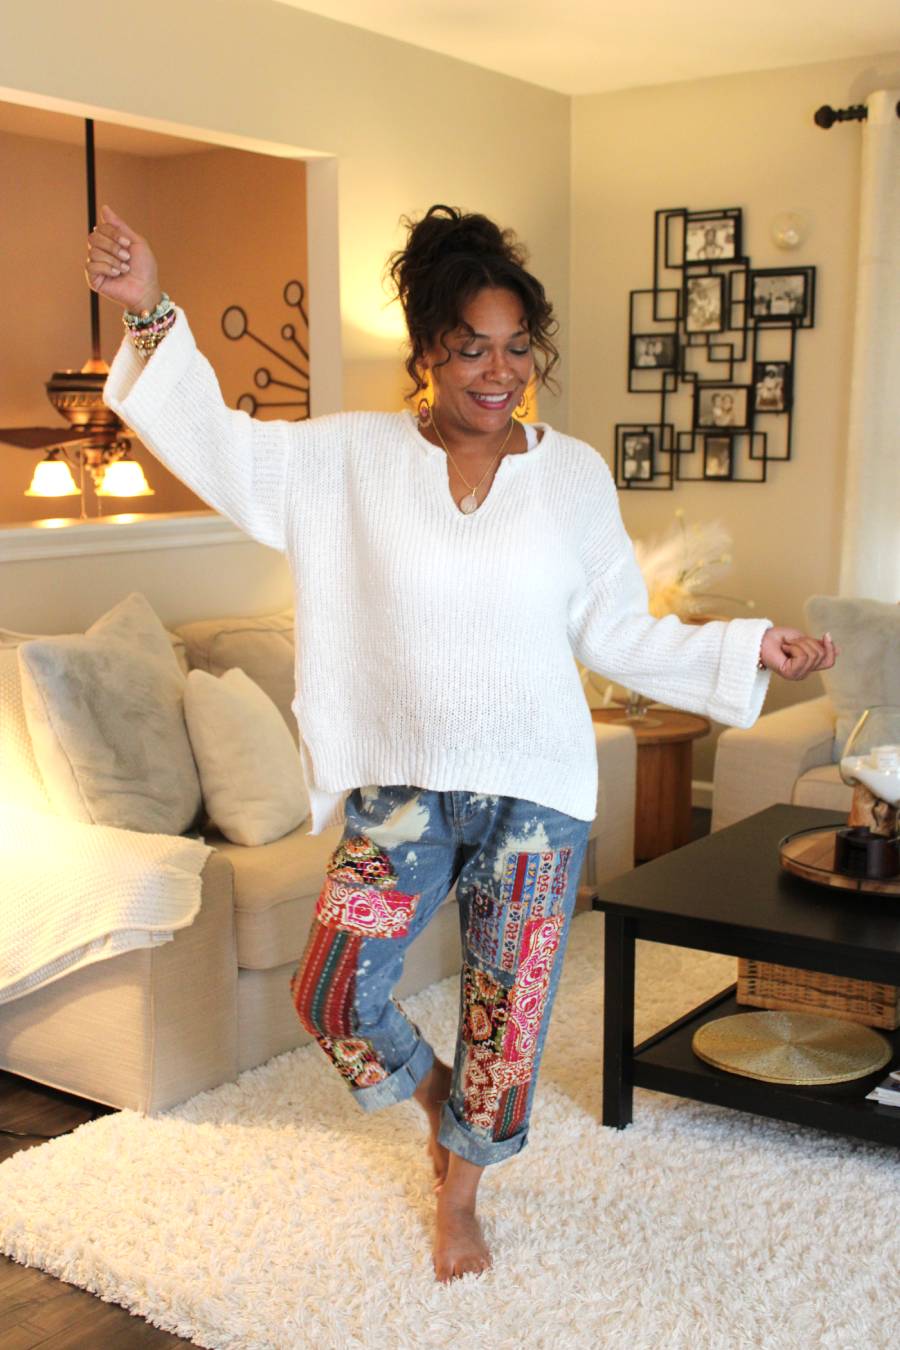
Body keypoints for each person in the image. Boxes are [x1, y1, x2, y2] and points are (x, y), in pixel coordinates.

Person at [85, 201, 838, 1283]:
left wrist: (751, 648)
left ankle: (464, 1195)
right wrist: (152, 309)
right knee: (335, 992)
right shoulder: (344, 459)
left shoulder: (572, 474)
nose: (498, 372)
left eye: (518, 347)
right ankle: (446, 1110)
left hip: (535, 787)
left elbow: (615, 629)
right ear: (426, 352)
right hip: (404, 787)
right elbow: (223, 447)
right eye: (470, 348)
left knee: (508, 1007)